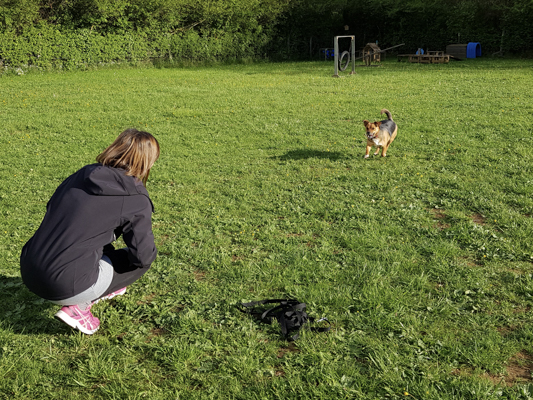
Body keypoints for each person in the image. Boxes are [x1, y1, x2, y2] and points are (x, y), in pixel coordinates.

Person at [20, 128, 160, 334]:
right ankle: (80, 306)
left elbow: (53, 207)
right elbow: (143, 256)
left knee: (93, 239)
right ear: (148, 161)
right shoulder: (136, 198)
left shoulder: (82, 174)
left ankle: (99, 284)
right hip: (63, 284)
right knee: (139, 259)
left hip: (29, 269)